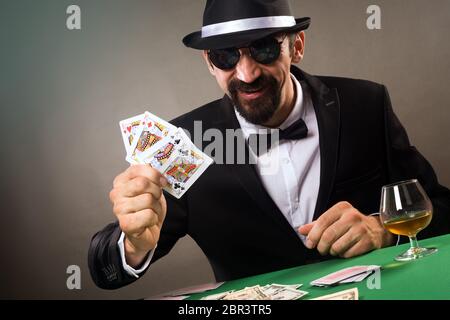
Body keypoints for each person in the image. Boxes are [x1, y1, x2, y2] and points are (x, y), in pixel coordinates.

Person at [88, 0, 450, 289]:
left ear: (297, 46)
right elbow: (105, 273)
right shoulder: (184, 143)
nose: (246, 74)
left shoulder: (364, 104)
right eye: (226, 56)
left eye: (263, 49)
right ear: (209, 63)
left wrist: (383, 229)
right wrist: (134, 245)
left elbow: (442, 208)